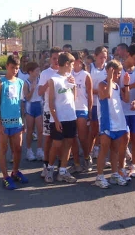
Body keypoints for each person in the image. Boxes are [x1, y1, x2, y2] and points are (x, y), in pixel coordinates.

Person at [0, 56, 28, 189]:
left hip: (17, 122)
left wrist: (23, 120)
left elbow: (21, 103)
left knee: (18, 149)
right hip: (4, 122)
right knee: (3, 149)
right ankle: (5, 176)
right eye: (12, 67)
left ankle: (15, 171)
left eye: (17, 68)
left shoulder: (20, 82)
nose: (14, 70)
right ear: (7, 66)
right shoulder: (0, 83)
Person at [95, 60, 130, 188]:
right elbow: (107, 95)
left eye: (118, 73)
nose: (116, 75)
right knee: (104, 149)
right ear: (108, 72)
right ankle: (99, 177)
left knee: (115, 150)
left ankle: (115, 174)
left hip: (118, 121)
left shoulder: (116, 85)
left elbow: (126, 99)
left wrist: (126, 85)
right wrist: (109, 79)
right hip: (106, 122)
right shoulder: (102, 84)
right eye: (114, 73)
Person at [44, 52, 77, 183]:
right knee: (56, 144)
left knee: (68, 144)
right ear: (67, 64)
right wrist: (56, 120)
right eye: (72, 64)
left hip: (71, 116)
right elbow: (51, 101)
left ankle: (62, 170)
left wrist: (73, 85)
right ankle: (49, 168)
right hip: (58, 118)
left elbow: (74, 98)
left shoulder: (70, 77)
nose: (73, 67)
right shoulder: (53, 79)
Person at [119, 43, 135, 178]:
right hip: (122, 109)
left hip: (134, 109)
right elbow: (116, 88)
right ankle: (121, 166)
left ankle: (134, 165)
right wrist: (130, 85)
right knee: (124, 138)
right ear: (128, 54)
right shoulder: (119, 69)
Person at [38, 47, 62, 177]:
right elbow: (40, 92)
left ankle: (59, 165)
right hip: (48, 110)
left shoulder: (66, 72)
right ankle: (46, 165)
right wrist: (49, 83)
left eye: (59, 58)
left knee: (61, 140)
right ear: (50, 59)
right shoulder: (45, 73)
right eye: (54, 58)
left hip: (62, 112)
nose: (57, 61)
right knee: (48, 139)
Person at [71, 51, 93, 172]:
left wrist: (90, 111)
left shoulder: (85, 75)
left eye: (72, 60)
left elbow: (90, 95)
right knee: (72, 137)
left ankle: (86, 157)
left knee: (83, 137)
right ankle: (76, 162)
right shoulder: (69, 74)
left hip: (82, 108)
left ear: (79, 61)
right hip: (70, 109)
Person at [87, 46, 108, 162]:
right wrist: (99, 91)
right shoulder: (90, 68)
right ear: (95, 56)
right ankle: (88, 153)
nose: (103, 59)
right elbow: (88, 88)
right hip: (93, 103)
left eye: (105, 57)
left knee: (102, 129)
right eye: (101, 57)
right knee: (93, 130)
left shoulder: (108, 68)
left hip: (103, 103)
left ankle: (96, 148)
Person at [23, 62, 44, 161]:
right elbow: (27, 97)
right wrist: (32, 89)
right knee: (30, 130)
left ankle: (40, 150)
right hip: (30, 106)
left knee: (40, 130)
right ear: (30, 72)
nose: (38, 72)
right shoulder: (26, 83)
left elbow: (42, 94)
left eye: (39, 70)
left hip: (38, 105)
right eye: (36, 71)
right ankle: (29, 150)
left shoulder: (40, 80)